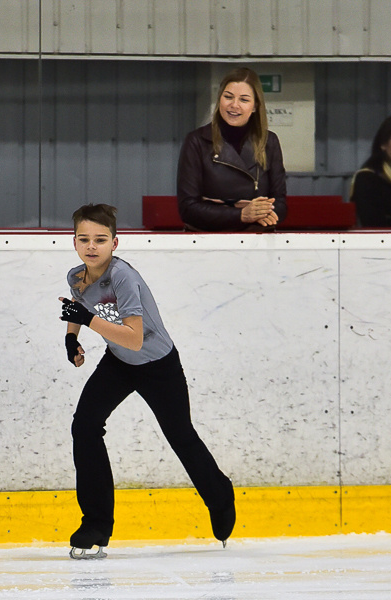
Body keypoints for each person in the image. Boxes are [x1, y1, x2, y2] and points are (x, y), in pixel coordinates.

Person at [59, 203, 235, 558]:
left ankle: (219, 494)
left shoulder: (122, 276)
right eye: (84, 239)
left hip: (158, 364)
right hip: (119, 363)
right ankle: (95, 524)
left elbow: (134, 338)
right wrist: (71, 337)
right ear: (74, 241)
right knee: (85, 426)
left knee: (180, 436)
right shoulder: (76, 276)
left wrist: (87, 321)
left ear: (115, 243)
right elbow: (77, 306)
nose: (91, 246)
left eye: (100, 239)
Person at [177, 67, 287, 231]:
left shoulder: (269, 141)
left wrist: (263, 213)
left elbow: (280, 204)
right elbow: (188, 208)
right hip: (207, 241)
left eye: (244, 100)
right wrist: (241, 215)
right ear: (220, 99)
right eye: (228, 97)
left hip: (256, 242)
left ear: (255, 106)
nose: (234, 105)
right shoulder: (196, 142)